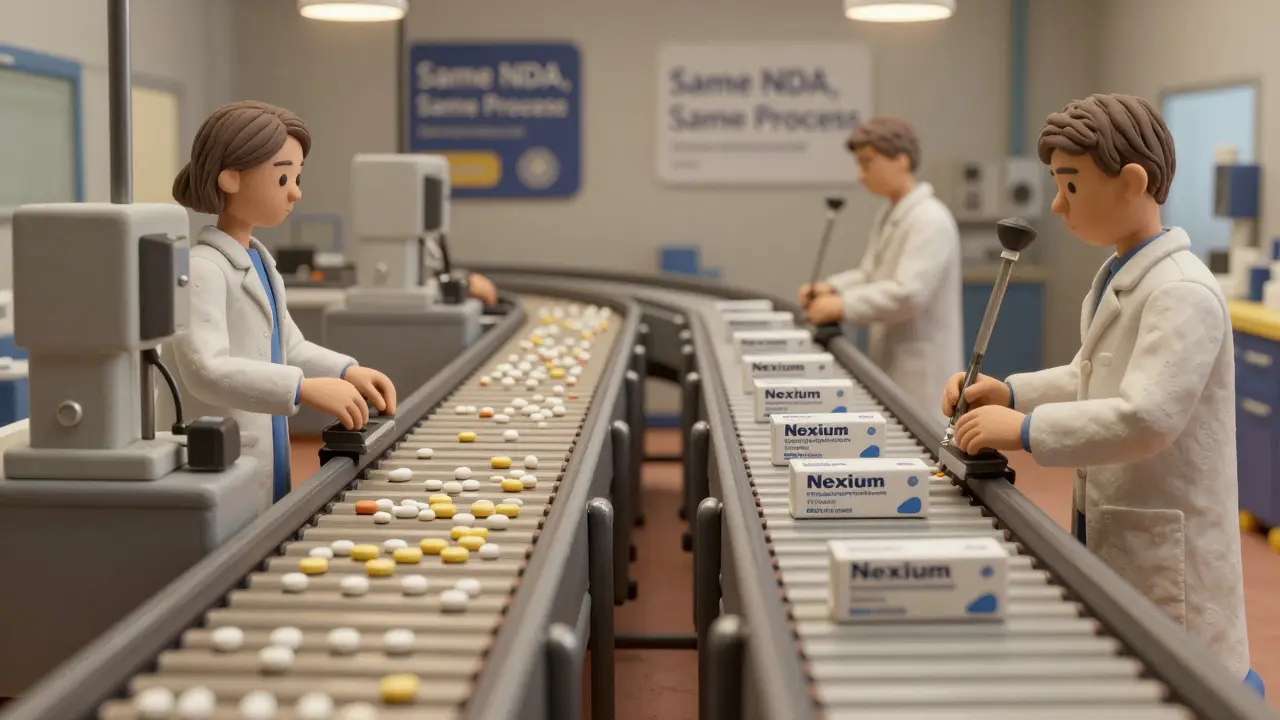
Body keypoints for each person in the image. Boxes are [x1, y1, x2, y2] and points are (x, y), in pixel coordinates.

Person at [939, 93, 1260, 695]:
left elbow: (1147, 418)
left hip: (1166, 541)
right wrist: (1006, 394)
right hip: (1112, 513)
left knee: (1183, 684)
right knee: (1124, 668)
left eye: (1071, 186)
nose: (1057, 205)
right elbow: (1092, 375)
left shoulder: (1182, 291)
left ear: (1132, 181)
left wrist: (1026, 432)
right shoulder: (1122, 273)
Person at [160, 100, 398, 506]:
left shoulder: (258, 259)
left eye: (297, 176)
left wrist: (346, 370)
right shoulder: (202, 269)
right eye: (283, 176)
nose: (296, 192)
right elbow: (205, 369)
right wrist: (303, 388)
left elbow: (288, 346)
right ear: (231, 178)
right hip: (224, 459)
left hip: (266, 444)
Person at [799, 116, 964, 414]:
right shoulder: (891, 213)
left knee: (922, 449)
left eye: (867, 163)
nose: (861, 175)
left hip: (921, 372)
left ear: (900, 161)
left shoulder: (930, 219)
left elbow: (909, 294)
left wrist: (840, 306)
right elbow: (871, 274)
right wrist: (832, 287)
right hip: (892, 359)